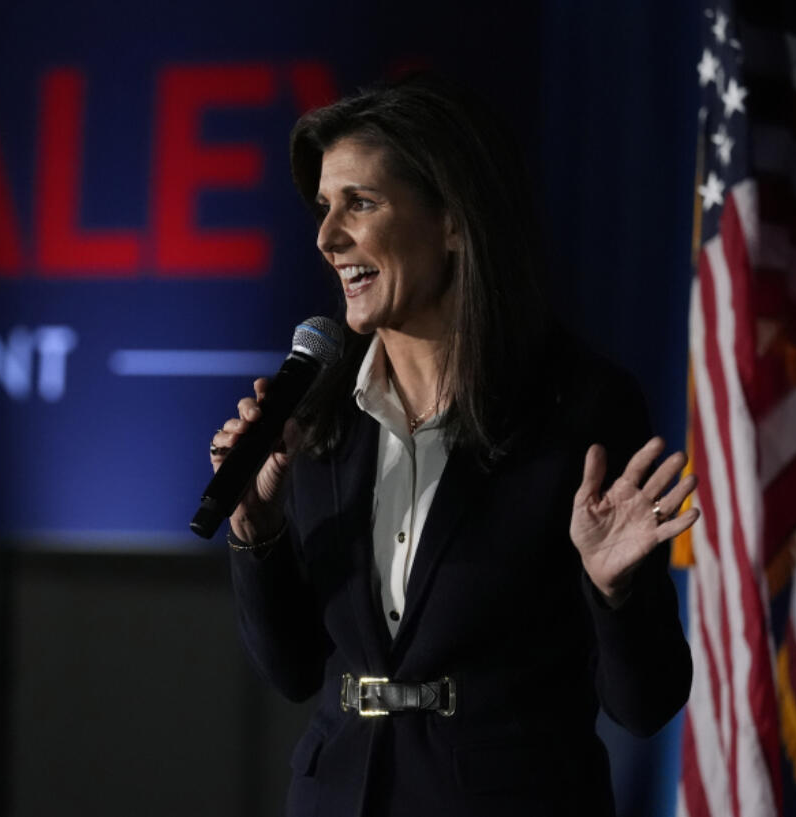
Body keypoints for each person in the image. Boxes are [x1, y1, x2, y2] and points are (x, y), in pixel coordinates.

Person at [208, 75, 696, 816]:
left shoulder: (577, 406)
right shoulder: (320, 412)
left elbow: (646, 702)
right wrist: (256, 532)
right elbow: (295, 667)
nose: (326, 235)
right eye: (323, 207)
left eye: (360, 203)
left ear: (454, 221)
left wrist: (615, 591)